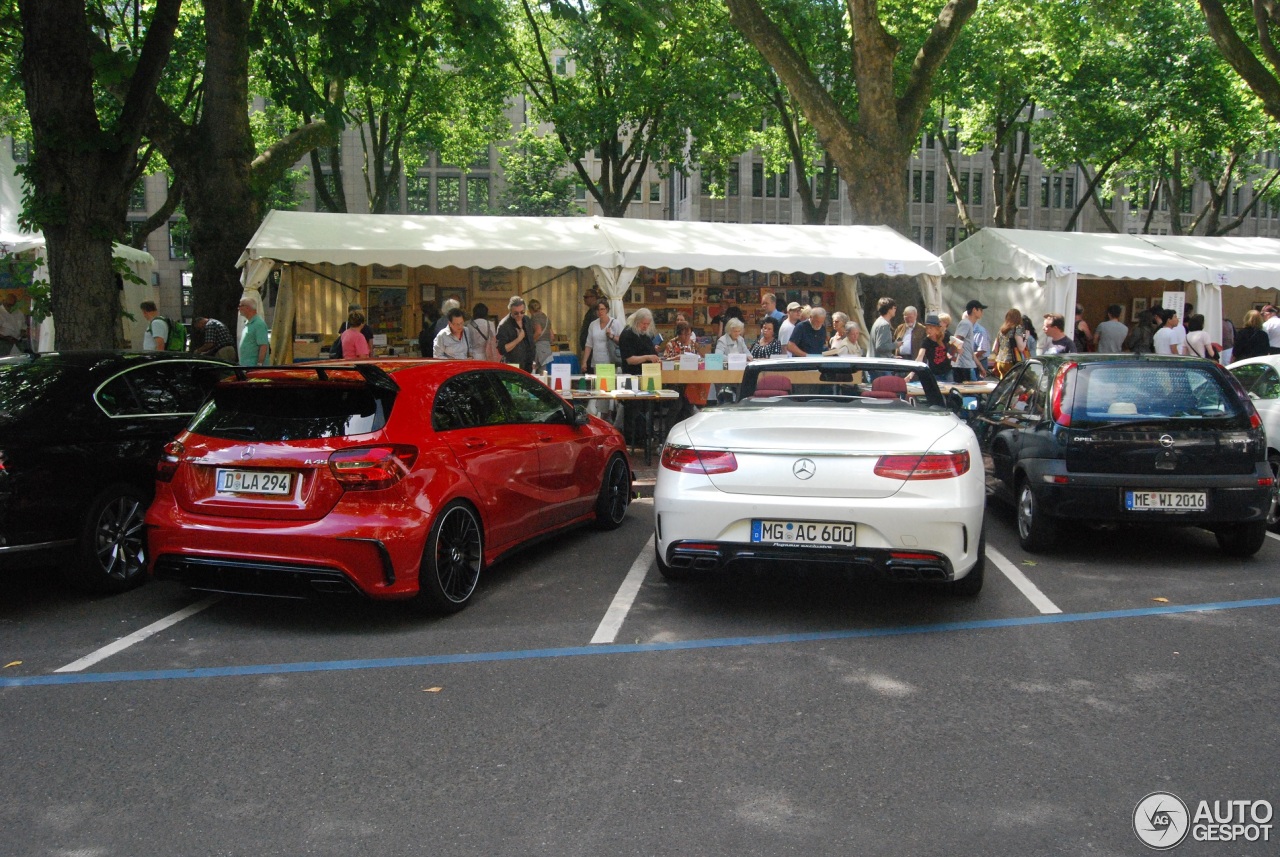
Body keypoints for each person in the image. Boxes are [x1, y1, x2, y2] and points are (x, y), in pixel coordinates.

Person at [582, 299, 623, 371]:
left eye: (602, 309)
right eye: (597, 310)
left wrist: (611, 336)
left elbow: (622, 341)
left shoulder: (615, 323)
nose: (600, 312)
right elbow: (589, 345)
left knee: (609, 382)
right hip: (596, 361)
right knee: (597, 382)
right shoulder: (593, 324)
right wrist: (584, 362)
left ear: (607, 310)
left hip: (610, 361)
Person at [496, 295, 535, 372]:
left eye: (522, 312)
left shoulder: (527, 320)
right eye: (516, 313)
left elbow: (531, 342)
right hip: (513, 366)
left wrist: (533, 360)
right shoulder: (504, 325)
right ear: (510, 311)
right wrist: (518, 339)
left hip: (528, 364)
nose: (519, 315)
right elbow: (502, 349)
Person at [952, 299, 986, 380]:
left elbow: (970, 350)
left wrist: (980, 366)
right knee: (968, 391)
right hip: (963, 366)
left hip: (968, 365)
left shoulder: (969, 324)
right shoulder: (965, 323)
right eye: (981, 310)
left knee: (970, 391)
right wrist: (958, 349)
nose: (982, 312)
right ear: (974, 310)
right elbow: (956, 340)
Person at [993, 308, 1028, 379]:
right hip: (1012, 362)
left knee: (1003, 385)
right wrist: (1026, 338)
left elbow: (994, 349)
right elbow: (1021, 348)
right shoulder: (1018, 328)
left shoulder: (1001, 330)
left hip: (1000, 362)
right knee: (1014, 385)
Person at [237, 297, 270, 366]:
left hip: (254, 367)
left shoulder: (259, 324)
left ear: (247, 308)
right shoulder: (248, 323)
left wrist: (259, 364)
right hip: (246, 365)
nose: (238, 308)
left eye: (240, 306)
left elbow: (263, 345)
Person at [527, 298, 552, 370]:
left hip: (538, 347)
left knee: (533, 370)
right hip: (546, 348)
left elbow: (538, 332)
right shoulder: (546, 318)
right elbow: (552, 336)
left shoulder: (535, 318)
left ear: (530, 309)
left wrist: (531, 342)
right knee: (543, 372)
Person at [577, 288, 600, 359]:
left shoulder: (594, 312)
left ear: (594, 298)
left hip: (592, 348)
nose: (584, 299)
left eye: (586, 297)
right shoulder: (591, 311)